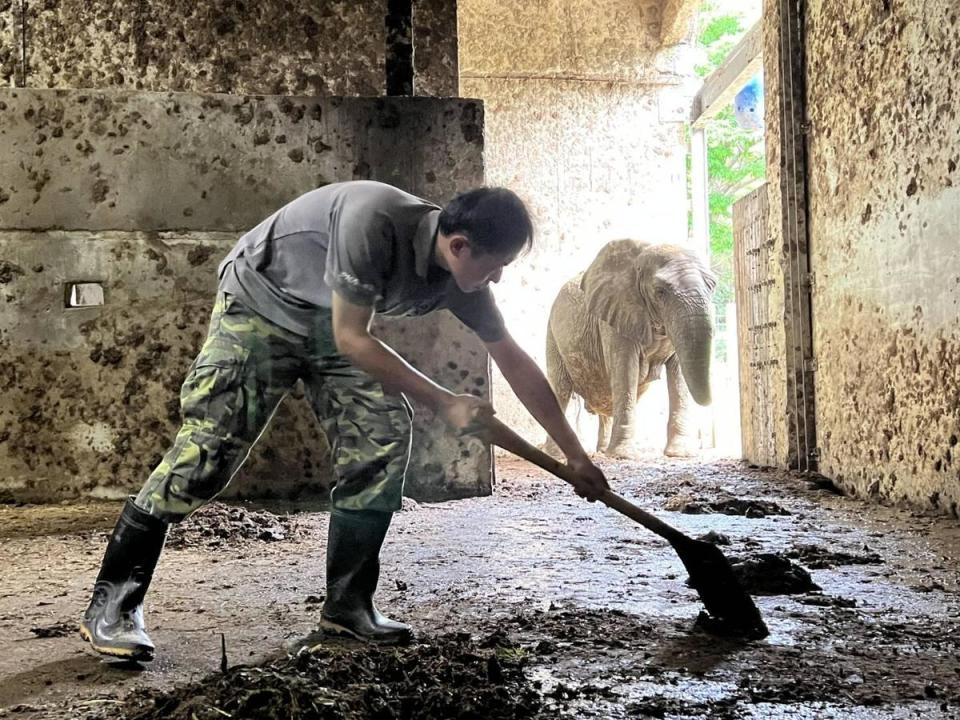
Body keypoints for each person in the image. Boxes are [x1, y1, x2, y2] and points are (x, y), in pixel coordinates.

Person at [79, 180, 610, 661]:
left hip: (333, 324)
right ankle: (114, 604)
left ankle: (347, 609)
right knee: (209, 453)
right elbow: (353, 339)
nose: (496, 278)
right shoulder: (373, 220)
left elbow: (513, 359)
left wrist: (575, 455)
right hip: (263, 306)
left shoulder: (462, 280)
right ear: (459, 245)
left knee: (380, 435)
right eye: (494, 265)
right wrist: (445, 400)